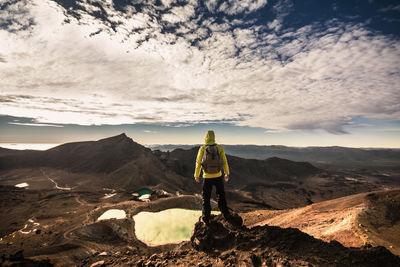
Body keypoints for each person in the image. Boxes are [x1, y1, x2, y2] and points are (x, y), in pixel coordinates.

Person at [194, 130, 231, 224]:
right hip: (218, 176)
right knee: (221, 196)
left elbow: (198, 163)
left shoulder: (202, 148)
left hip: (207, 177)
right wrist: (227, 173)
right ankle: (226, 215)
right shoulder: (219, 148)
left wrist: (196, 175)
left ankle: (206, 218)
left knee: (206, 198)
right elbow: (224, 161)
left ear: (205, 138)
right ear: (214, 137)